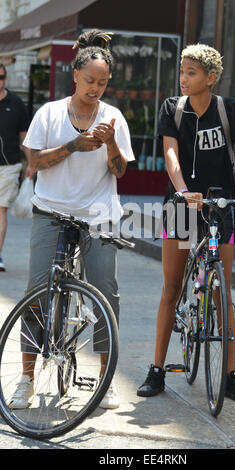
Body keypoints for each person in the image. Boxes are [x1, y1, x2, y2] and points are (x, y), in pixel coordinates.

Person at [9, 29, 135, 410]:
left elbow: (120, 171)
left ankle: (104, 379)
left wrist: (110, 141)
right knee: (37, 292)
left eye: (102, 82)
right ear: (75, 75)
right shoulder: (49, 113)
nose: (95, 88)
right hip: (51, 212)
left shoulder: (113, 118)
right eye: (89, 80)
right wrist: (75, 146)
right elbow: (34, 162)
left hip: (97, 215)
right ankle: (26, 378)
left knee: (104, 291)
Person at [137, 43, 235, 403]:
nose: (183, 78)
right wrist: (182, 190)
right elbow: (170, 153)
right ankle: (157, 370)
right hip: (180, 207)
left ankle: (231, 375)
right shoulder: (172, 110)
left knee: (223, 292)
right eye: (182, 71)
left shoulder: (229, 111)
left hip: (220, 207)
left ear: (210, 78)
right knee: (171, 287)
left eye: (191, 73)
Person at [0, 62, 32, 272]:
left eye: (1, 77)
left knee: (1, 209)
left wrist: (31, 163)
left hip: (9, 165)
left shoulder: (16, 103)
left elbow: (25, 137)